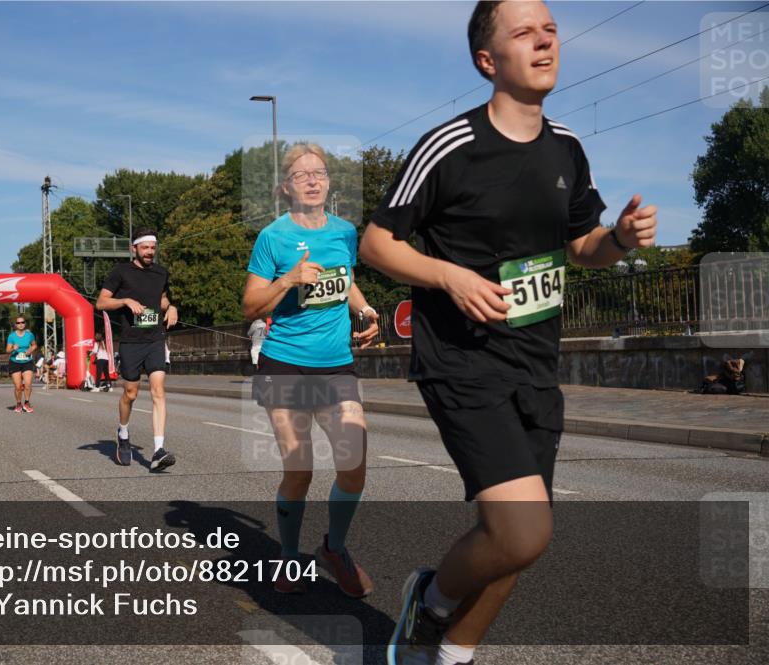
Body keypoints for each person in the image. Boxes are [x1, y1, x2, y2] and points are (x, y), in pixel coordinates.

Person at [358, 3, 659, 663]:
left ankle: (451, 650)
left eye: (550, 29)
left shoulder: (568, 148)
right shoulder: (450, 147)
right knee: (524, 529)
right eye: (524, 32)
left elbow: (582, 245)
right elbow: (376, 244)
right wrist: (451, 277)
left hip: (534, 363)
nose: (545, 39)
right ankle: (432, 597)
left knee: (523, 537)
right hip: (462, 362)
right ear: (487, 61)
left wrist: (620, 239)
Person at [242, 142, 380, 598]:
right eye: (302, 175)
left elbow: (348, 281)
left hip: (336, 364)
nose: (313, 179)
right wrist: (287, 280)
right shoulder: (273, 238)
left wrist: (366, 311)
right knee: (299, 468)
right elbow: (249, 306)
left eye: (319, 172)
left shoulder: (344, 231)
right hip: (285, 365)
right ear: (287, 187)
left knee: (354, 461)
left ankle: (334, 549)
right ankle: (287, 559)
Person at [96, 227, 178, 471]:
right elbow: (101, 301)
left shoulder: (161, 273)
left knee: (158, 391)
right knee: (130, 393)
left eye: (153, 248)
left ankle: (158, 451)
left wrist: (171, 307)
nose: (150, 252)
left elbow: (162, 298)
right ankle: (123, 432)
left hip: (155, 339)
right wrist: (125, 301)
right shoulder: (121, 272)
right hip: (131, 342)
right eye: (145, 248)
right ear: (134, 249)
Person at [6, 317, 36, 411]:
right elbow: (7, 350)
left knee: (27, 384)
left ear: (25, 323)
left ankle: (26, 403)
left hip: (27, 361)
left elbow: (34, 345)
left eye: (22, 322)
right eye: (18, 323)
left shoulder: (29, 335)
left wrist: (30, 349)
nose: (20, 324)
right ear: (15, 325)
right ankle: (18, 404)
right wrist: (13, 348)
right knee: (18, 386)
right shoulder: (12, 336)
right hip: (15, 362)